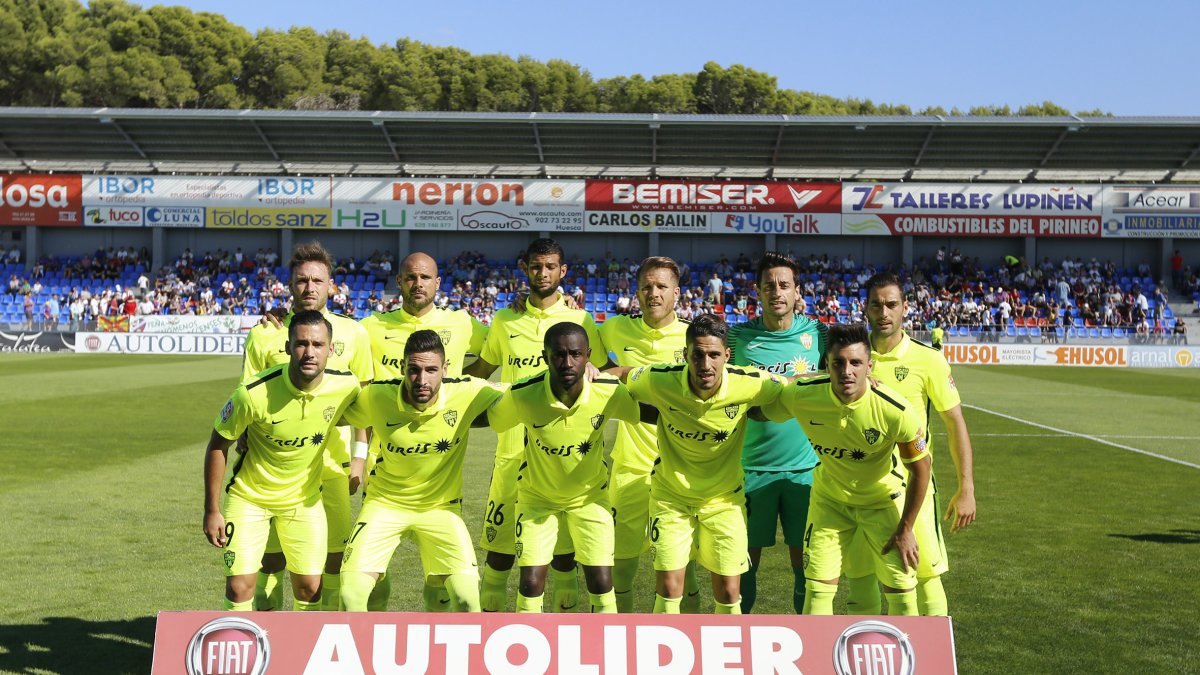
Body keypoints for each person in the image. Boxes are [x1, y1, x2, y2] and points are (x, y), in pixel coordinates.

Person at [464, 238, 608, 612]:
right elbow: (480, 372)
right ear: (524, 268)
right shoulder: (505, 319)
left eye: (550, 267)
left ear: (562, 272)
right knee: (499, 553)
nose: (542, 274)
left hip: (564, 455)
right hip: (512, 449)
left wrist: (596, 370)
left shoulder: (580, 320)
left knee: (561, 556)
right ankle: (490, 637)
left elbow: (602, 375)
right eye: (535, 266)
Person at [754, 323, 929, 615]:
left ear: (869, 367)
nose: (847, 371)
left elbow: (922, 470)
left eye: (856, 363)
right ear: (827, 366)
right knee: (818, 590)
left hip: (881, 501)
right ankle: (816, 660)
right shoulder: (803, 394)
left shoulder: (895, 410)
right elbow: (759, 411)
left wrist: (906, 528)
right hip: (829, 503)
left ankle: (905, 657)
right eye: (838, 363)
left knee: (901, 593)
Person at [619, 314, 786, 614]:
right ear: (685, 355)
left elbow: (794, 384)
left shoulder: (749, 383)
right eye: (697, 355)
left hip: (724, 500)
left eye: (713, 355)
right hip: (671, 498)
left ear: (726, 355)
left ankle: (725, 658)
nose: (705, 364)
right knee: (670, 588)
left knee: (728, 591)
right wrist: (589, 370)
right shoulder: (660, 379)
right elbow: (622, 375)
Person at [241, 242, 373, 611]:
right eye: (302, 280)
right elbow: (247, 400)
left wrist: (359, 460)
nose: (310, 288)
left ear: (332, 285)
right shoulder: (265, 334)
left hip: (332, 467)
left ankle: (323, 633)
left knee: (334, 557)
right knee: (271, 559)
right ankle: (269, 634)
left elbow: (362, 407)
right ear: (290, 284)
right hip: (273, 470)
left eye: (318, 280)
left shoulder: (354, 334)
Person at [202, 310, 361, 611]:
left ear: (331, 349)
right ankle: (246, 655)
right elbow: (218, 444)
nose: (309, 352)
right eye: (301, 344)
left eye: (317, 344)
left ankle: (302, 656)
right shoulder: (252, 394)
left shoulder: (346, 386)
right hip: (250, 498)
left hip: (304, 502)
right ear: (288, 347)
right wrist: (212, 509)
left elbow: (370, 413)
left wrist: (362, 457)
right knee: (239, 588)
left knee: (311, 589)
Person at [338, 330, 505, 612]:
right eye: (414, 370)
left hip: (441, 508)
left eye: (431, 370)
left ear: (445, 369)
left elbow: (524, 392)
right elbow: (328, 411)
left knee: (468, 601)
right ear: (403, 368)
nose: (422, 379)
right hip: (384, 504)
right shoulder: (378, 395)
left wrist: (586, 371)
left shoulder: (468, 391)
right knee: (351, 596)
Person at [358, 251, 489, 610]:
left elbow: (500, 348)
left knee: (440, 581)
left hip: (438, 465)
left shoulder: (463, 324)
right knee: (372, 580)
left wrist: (460, 403)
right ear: (399, 282)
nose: (418, 284)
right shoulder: (370, 327)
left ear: (438, 283)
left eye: (425, 278)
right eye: (411, 278)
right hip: (383, 464)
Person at [841, 272, 977, 616]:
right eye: (876, 305)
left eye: (891, 305)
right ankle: (866, 657)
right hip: (858, 488)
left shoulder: (927, 359)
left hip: (911, 488)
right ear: (865, 308)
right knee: (860, 576)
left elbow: (954, 421)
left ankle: (933, 661)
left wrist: (966, 488)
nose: (884, 312)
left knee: (926, 575)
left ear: (904, 308)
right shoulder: (848, 358)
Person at [490, 323, 646, 613]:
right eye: (558, 354)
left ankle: (603, 649)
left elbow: (644, 413)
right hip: (536, 500)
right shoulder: (524, 393)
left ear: (588, 355)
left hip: (590, 499)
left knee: (601, 583)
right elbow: (493, 419)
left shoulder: (608, 392)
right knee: (530, 584)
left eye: (575, 354)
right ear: (545, 356)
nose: (567, 362)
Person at [727, 252, 828, 614]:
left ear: (797, 291)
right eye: (769, 285)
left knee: (806, 562)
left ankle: (810, 637)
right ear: (757, 291)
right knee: (743, 562)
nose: (777, 292)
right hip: (750, 468)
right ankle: (737, 641)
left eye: (784, 285)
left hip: (806, 469)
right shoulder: (737, 337)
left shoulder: (819, 335)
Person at [597, 256, 695, 612]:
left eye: (661, 286)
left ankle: (690, 645)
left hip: (683, 468)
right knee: (619, 565)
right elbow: (574, 331)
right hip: (629, 469)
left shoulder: (692, 337)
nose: (653, 294)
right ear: (636, 292)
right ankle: (619, 642)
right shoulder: (614, 329)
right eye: (646, 287)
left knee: (685, 571)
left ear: (677, 293)